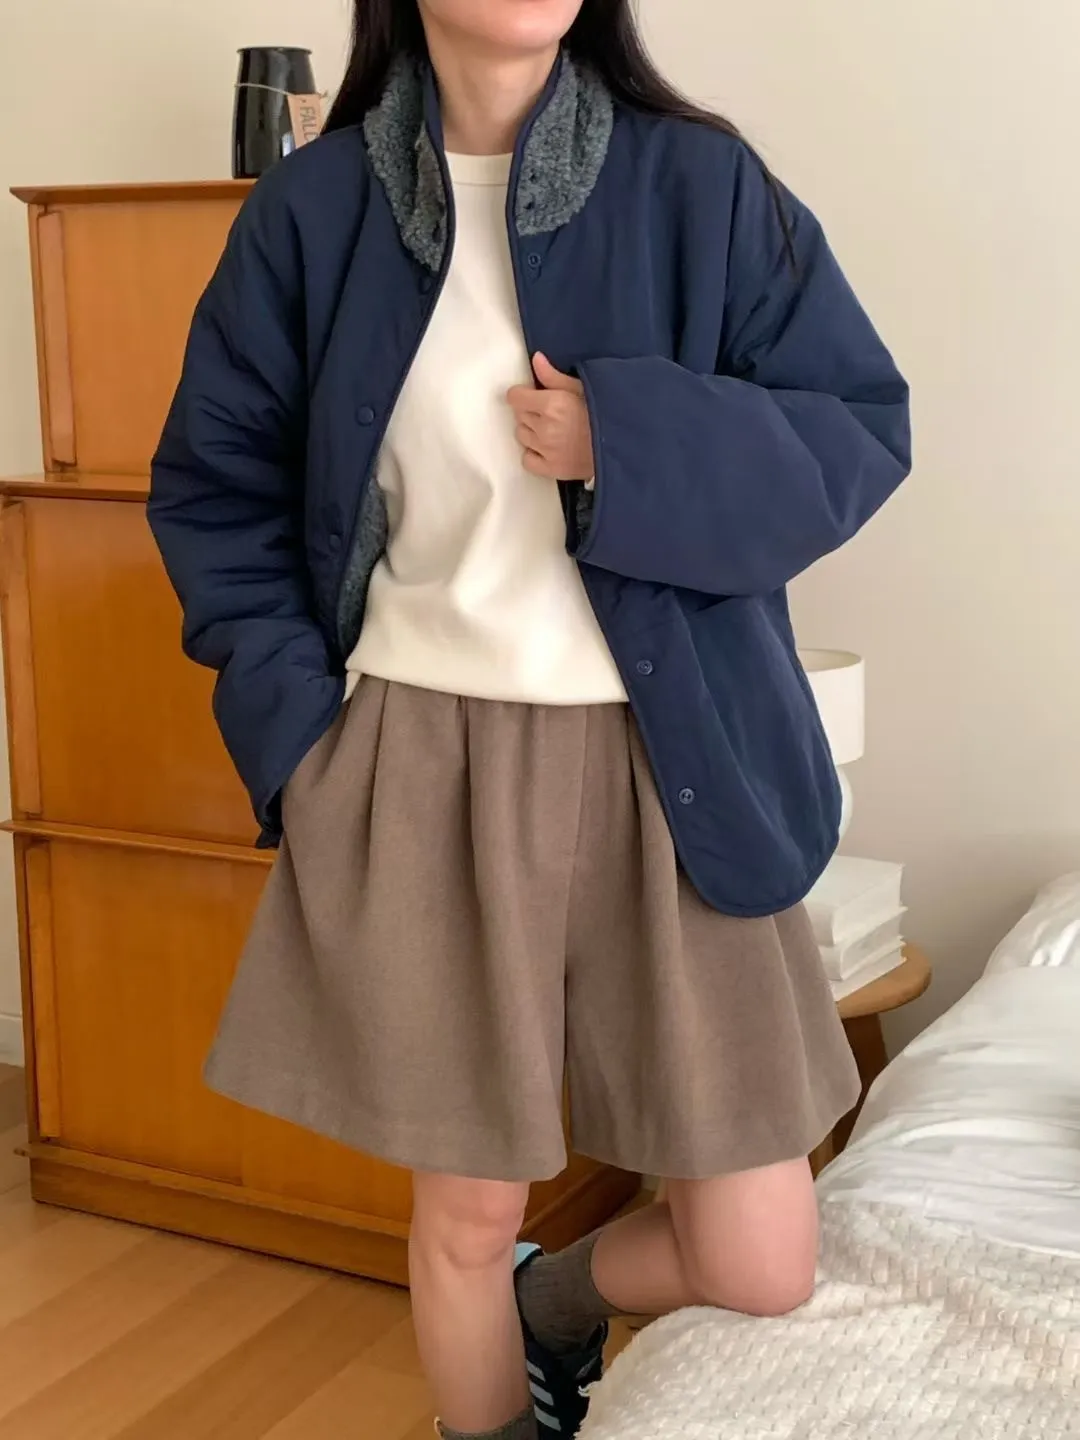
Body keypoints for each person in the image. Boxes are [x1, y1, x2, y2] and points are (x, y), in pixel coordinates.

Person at [148, 1, 911, 1436]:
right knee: (460, 1214)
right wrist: (302, 746)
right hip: (420, 760)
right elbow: (215, 490)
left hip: (675, 760)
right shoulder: (313, 211)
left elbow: (857, 430)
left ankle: (550, 1305)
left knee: (760, 1258)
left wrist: (627, 437)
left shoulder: (700, 183)